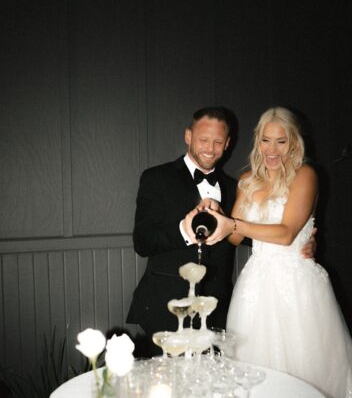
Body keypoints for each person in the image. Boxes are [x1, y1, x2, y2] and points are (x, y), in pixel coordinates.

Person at [205, 106, 352, 398]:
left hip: (298, 289)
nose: (272, 149)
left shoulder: (306, 175)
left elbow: (287, 234)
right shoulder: (247, 180)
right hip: (255, 286)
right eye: (266, 140)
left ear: (293, 143)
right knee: (256, 379)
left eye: (281, 141)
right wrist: (218, 214)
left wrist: (233, 226)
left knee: (306, 377)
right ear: (258, 142)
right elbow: (235, 239)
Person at [126, 106, 315, 354]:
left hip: (218, 310)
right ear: (188, 136)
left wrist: (298, 240)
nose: (210, 148)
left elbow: (245, 234)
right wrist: (183, 231)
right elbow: (142, 242)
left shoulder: (237, 186)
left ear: (227, 144)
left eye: (217, 142)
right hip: (165, 307)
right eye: (203, 139)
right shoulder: (156, 178)